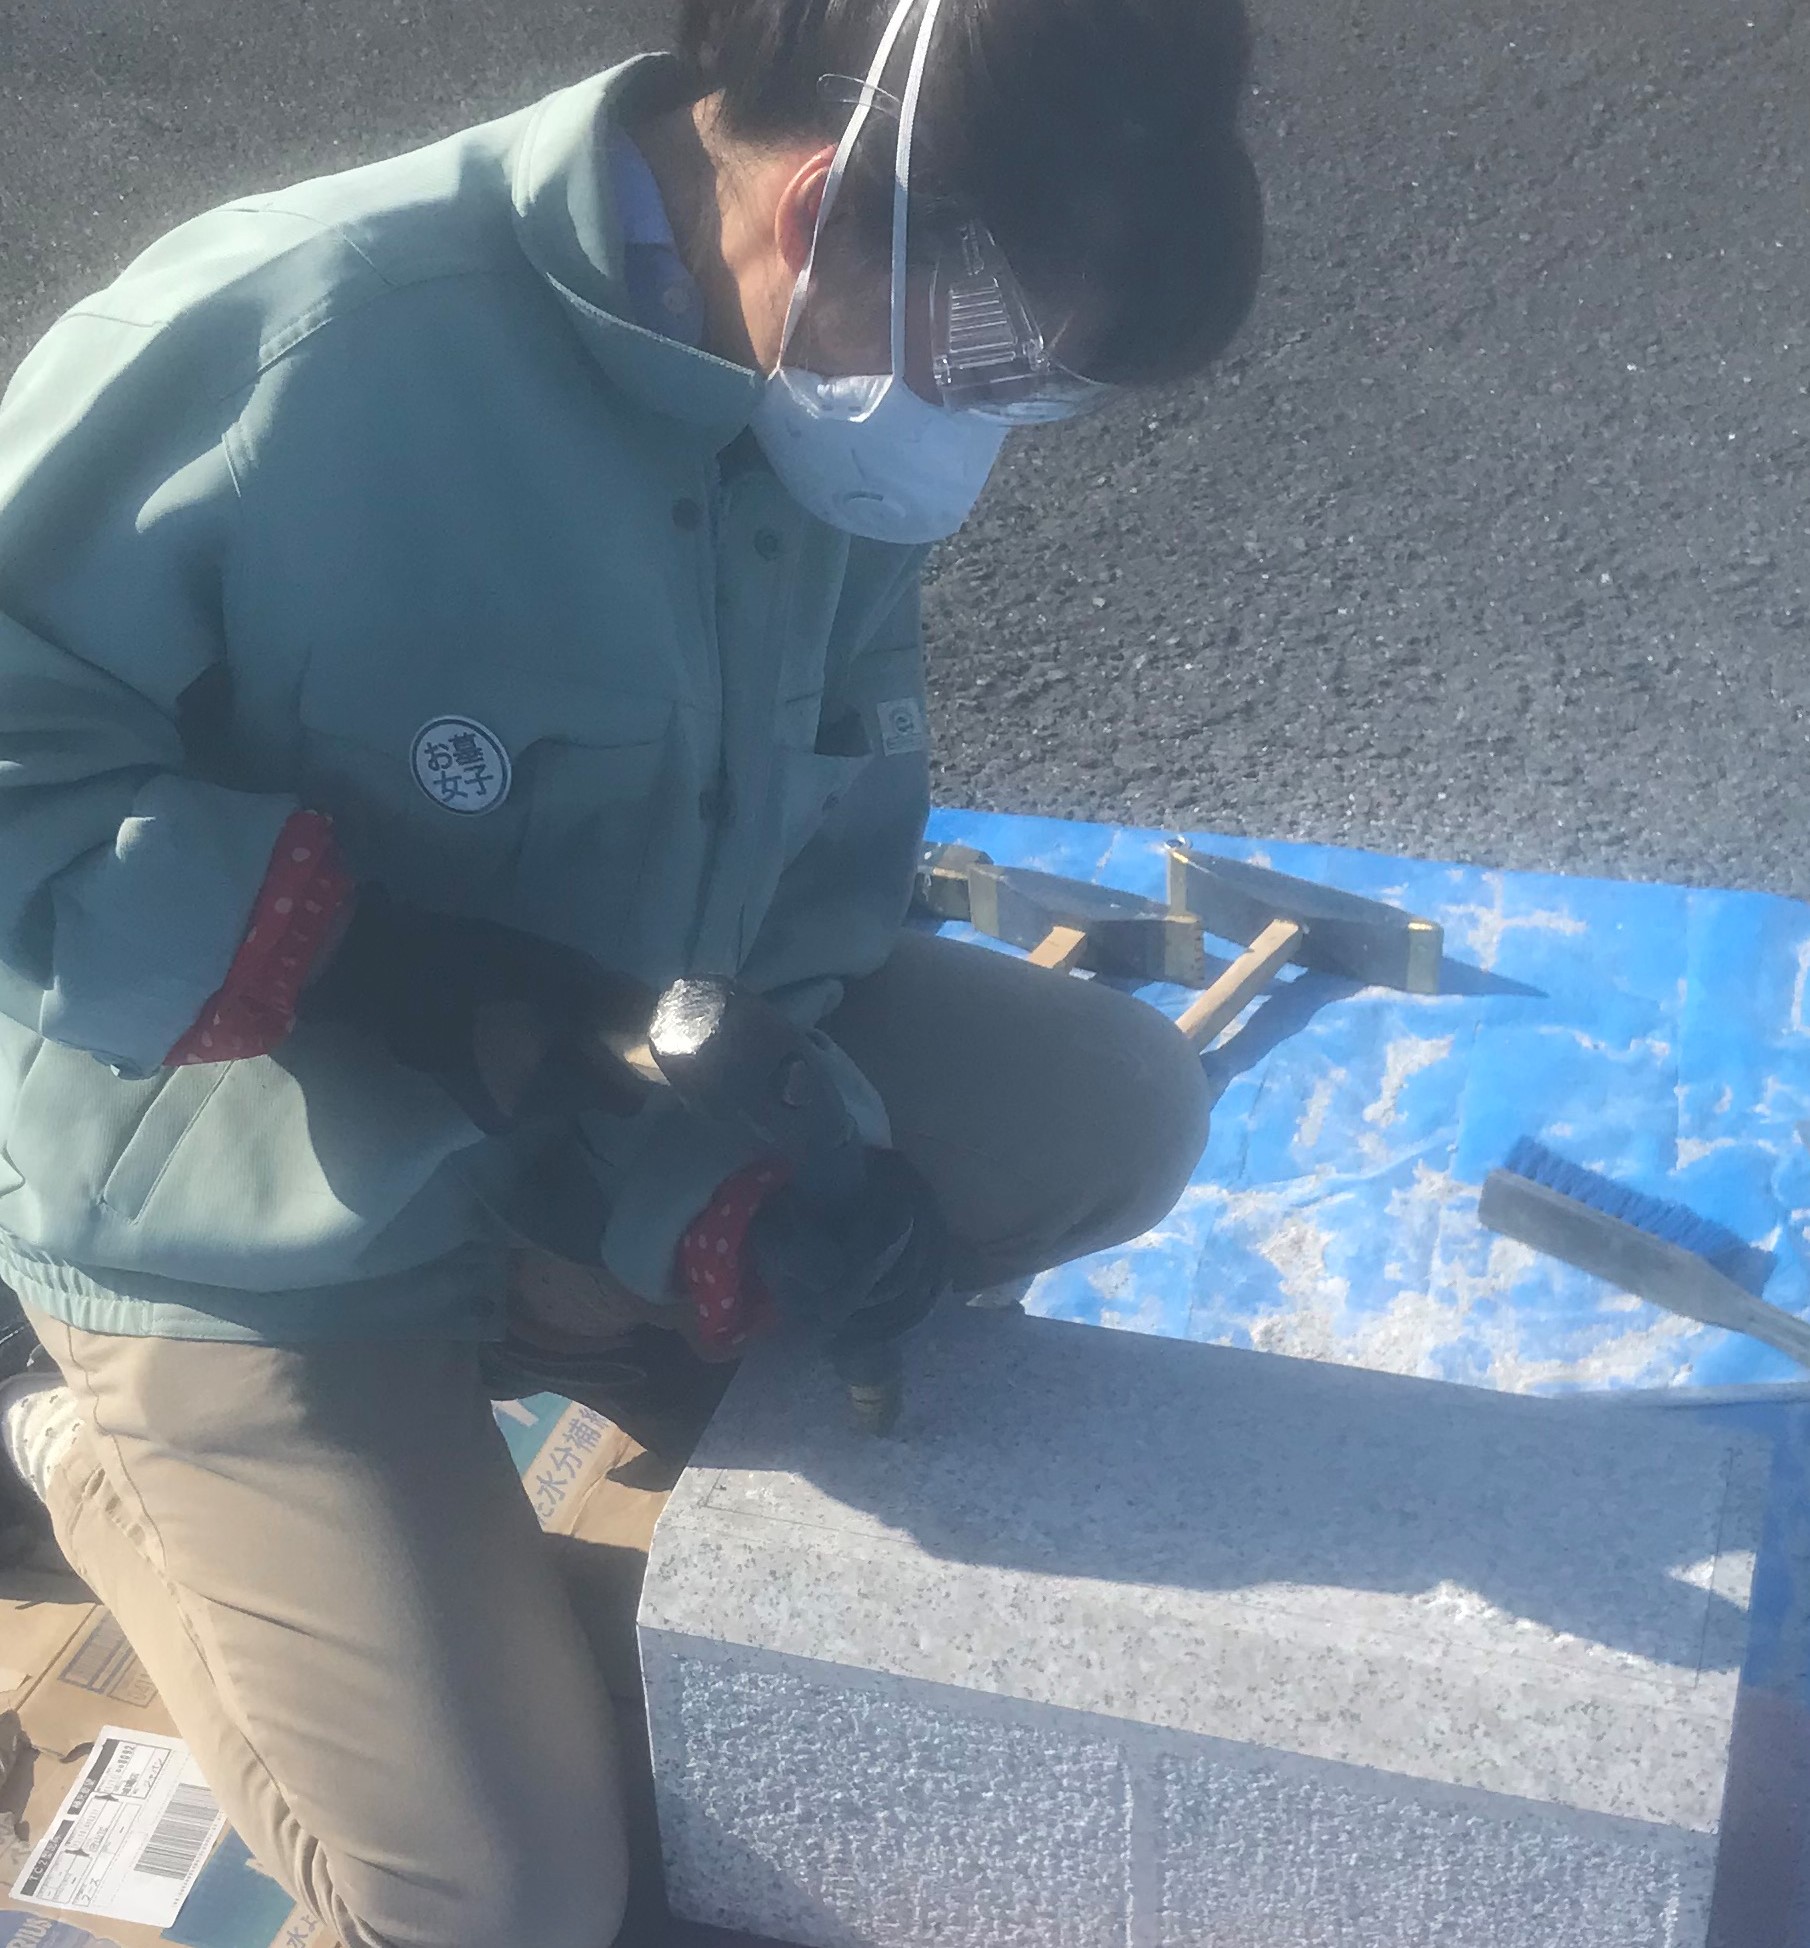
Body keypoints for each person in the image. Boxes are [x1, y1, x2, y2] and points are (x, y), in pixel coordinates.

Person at [0, 0, 1260, 1938]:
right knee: (503, 1901)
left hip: (576, 1105)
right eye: (1003, 356)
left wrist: (766, 1160)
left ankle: (563, 1306)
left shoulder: (817, 395)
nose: (983, 420)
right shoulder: (305, 336)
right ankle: (91, 1440)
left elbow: (811, 884)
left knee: (1108, 1110)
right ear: (820, 207)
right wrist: (379, 965)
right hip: (241, 1200)